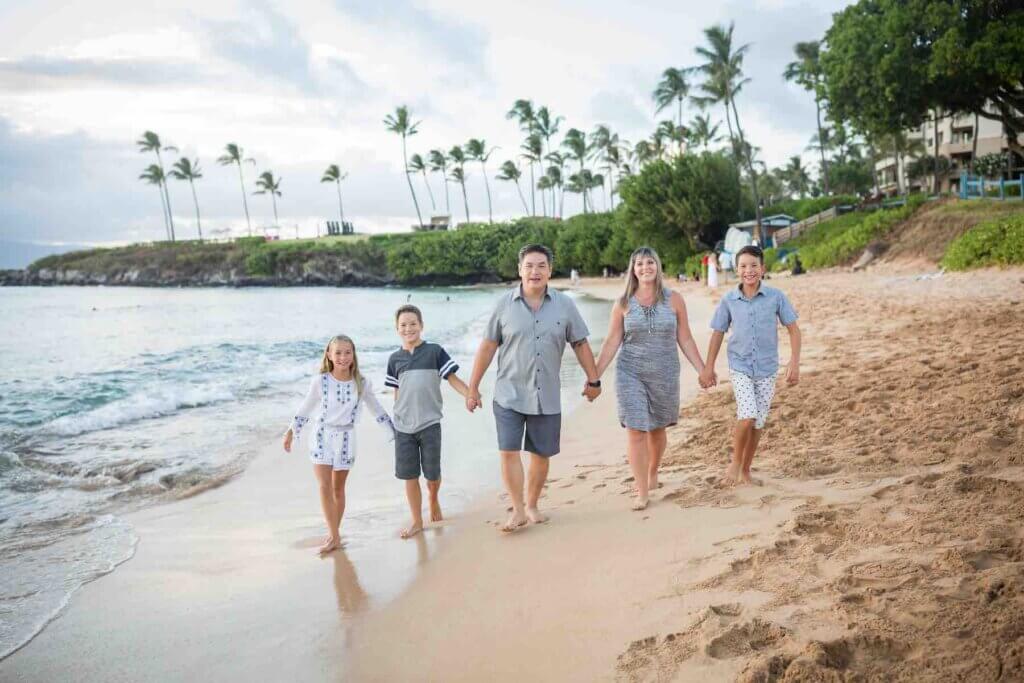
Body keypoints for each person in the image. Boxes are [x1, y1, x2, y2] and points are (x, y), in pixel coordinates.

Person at [467, 244, 601, 531]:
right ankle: (516, 509)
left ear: (550, 271)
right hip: (508, 393)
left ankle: (531, 504)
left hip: (547, 395)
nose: (535, 271)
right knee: (509, 451)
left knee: (541, 455)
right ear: (519, 270)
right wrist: (473, 387)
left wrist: (594, 379)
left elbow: (579, 342)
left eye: (541, 265)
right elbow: (488, 346)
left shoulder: (565, 305)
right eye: (529, 266)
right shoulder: (503, 305)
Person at [595, 247, 710, 510]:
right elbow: (613, 341)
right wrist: (594, 376)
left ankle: (653, 469)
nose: (645, 267)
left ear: (657, 266)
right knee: (636, 430)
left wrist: (702, 369)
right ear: (632, 269)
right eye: (639, 264)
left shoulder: (674, 299)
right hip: (630, 373)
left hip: (664, 373)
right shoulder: (623, 303)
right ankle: (642, 491)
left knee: (657, 429)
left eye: (650, 262)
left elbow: (685, 337)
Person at [699, 245, 801, 486]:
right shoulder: (729, 300)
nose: (749, 270)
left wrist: (794, 362)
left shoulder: (776, 297)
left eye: (754, 265)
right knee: (747, 415)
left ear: (762, 268)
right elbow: (717, 333)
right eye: (743, 266)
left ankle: (746, 470)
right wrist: (708, 367)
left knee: (758, 423)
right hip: (740, 365)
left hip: (767, 368)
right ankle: (734, 463)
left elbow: (794, 331)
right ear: (737, 270)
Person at [283, 335, 395, 554]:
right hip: (321, 436)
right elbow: (306, 408)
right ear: (329, 355)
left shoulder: (362, 383)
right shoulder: (320, 381)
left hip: (346, 439)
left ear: (353, 354)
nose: (343, 357)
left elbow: (376, 409)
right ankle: (334, 536)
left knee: (338, 488)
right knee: (324, 487)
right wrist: (291, 431)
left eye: (347, 352)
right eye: (338, 353)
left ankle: (334, 532)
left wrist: (393, 432)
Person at [385, 305, 472, 539]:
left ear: (421, 326)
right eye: (403, 325)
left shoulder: (435, 351)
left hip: (430, 422)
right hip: (403, 426)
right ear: (397, 329)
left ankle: (433, 498)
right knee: (409, 475)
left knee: (432, 474)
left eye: (413, 323)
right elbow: (397, 393)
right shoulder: (394, 360)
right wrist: (393, 421)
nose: (408, 328)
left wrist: (469, 394)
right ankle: (416, 520)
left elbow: (452, 378)